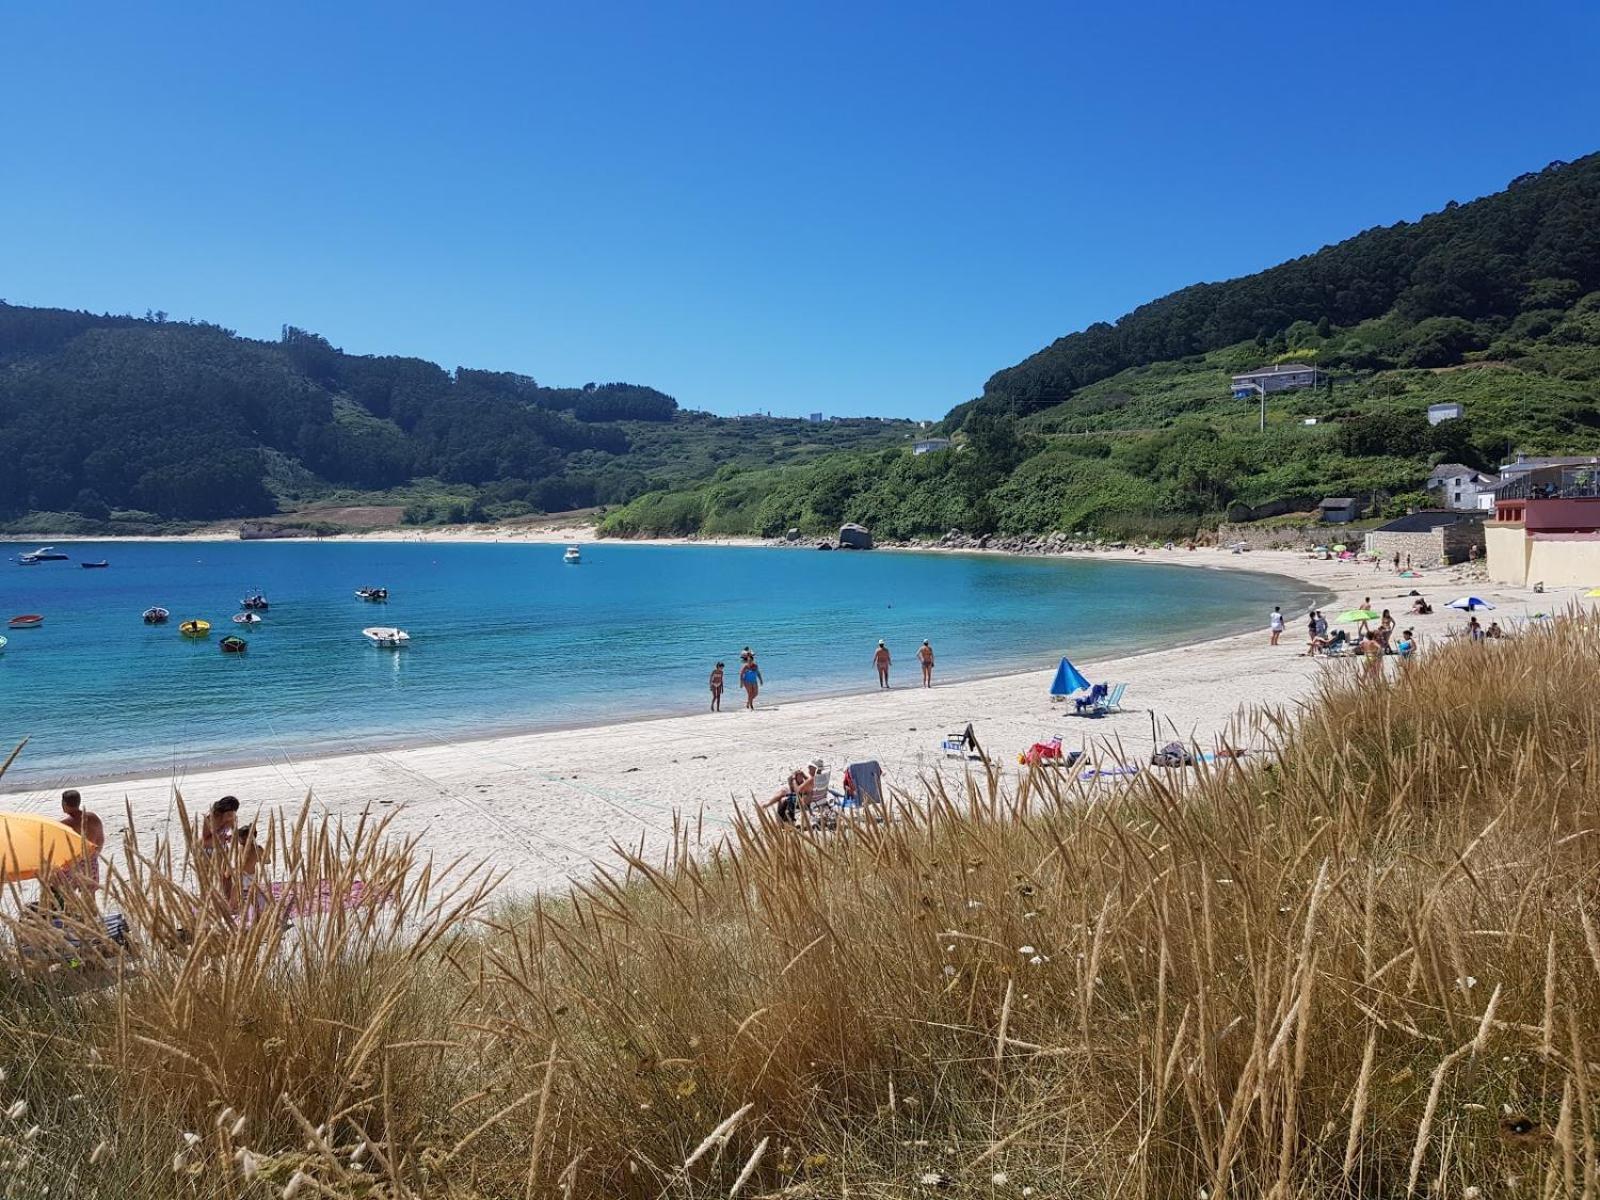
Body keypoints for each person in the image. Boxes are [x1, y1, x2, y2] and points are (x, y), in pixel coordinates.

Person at [57, 789, 104, 912]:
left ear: (64, 803)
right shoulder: (93, 818)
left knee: (68, 896)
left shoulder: (63, 824)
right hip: (90, 861)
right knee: (89, 896)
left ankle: (74, 921)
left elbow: (58, 848)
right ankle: (92, 921)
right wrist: (94, 856)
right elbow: (100, 840)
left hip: (71, 864)